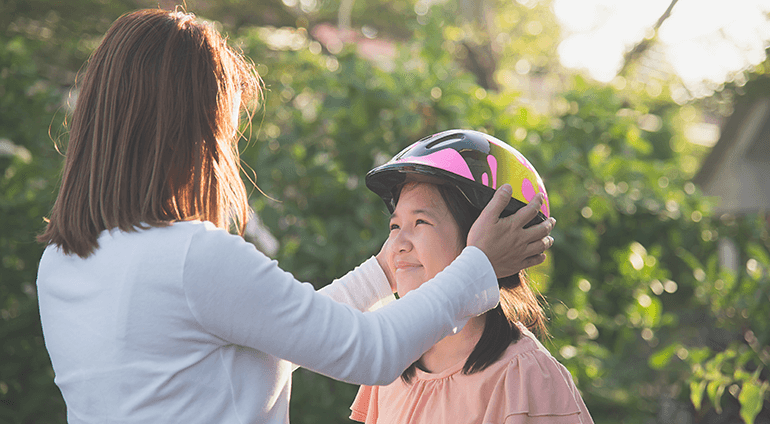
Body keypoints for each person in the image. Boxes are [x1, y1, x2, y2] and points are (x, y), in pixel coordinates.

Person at [34, 9, 557, 424]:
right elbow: (369, 352)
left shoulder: (61, 263)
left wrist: (382, 270)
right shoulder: (193, 257)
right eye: (223, 131)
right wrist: (478, 264)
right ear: (188, 134)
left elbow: (286, 335)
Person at [350, 129, 593, 424]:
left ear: (485, 239)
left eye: (421, 221)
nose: (398, 244)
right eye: (395, 226)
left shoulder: (525, 376)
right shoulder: (389, 366)